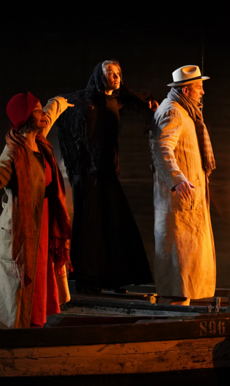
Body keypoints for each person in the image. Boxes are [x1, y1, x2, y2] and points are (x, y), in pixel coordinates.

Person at [0, 92, 74, 329]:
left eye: (41, 109)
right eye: (37, 111)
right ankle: (12, 329)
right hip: (21, 226)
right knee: (17, 283)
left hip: (42, 219)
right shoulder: (14, 150)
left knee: (39, 275)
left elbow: (50, 112)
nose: (43, 114)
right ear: (26, 118)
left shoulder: (38, 138)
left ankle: (34, 323)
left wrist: (61, 101)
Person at [55, 60, 157, 292]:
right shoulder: (84, 101)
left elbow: (139, 97)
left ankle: (116, 279)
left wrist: (150, 102)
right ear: (99, 77)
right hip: (86, 172)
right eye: (110, 73)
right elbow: (63, 105)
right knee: (90, 226)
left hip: (108, 171)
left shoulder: (118, 100)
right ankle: (88, 281)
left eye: (118, 72)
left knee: (114, 223)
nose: (116, 76)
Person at [149, 65, 217, 305]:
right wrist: (178, 179)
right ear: (186, 90)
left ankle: (176, 307)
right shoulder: (174, 111)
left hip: (185, 199)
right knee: (178, 262)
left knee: (183, 265)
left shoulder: (184, 110)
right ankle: (172, 314)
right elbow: (161, 148)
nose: (202, 92)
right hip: (179, 200)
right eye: (199, 87)